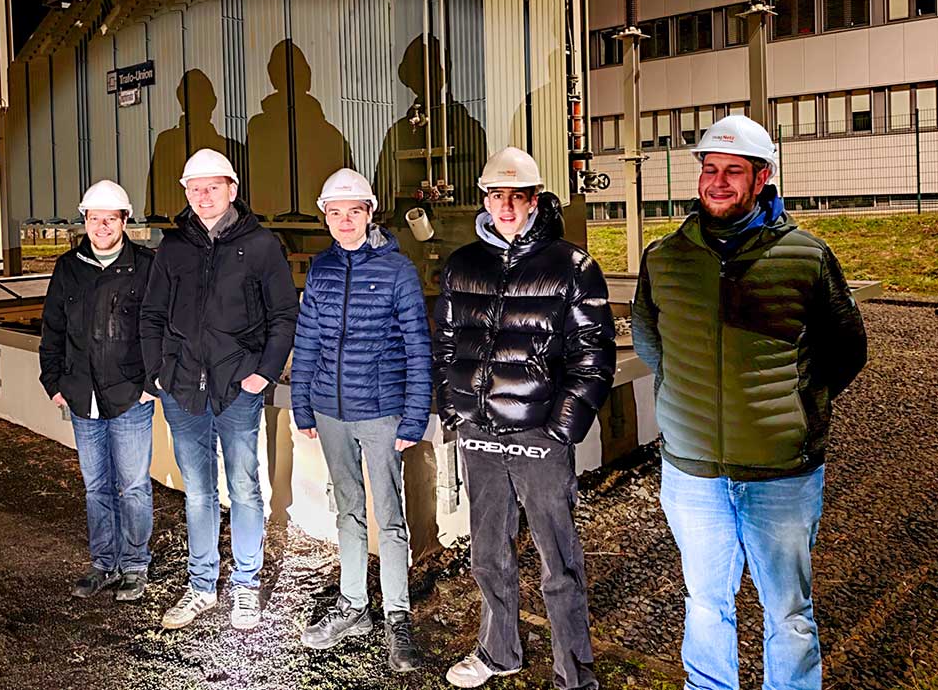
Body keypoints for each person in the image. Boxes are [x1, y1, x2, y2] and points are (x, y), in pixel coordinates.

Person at [631, 115, 867, 690]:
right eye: (710, 169)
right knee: (706, 604)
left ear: (762, 178)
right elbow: (648, 338)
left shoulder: (805, 256)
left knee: (788, 614)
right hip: (692, 473)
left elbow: (846, 349)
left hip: (780, 473)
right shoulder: (665, 257)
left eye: (733, 171)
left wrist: (795, 404)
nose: (717, 181)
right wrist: (690, 396)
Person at [432, 148, 616, 690]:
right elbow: (446, 343)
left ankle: (574, 674)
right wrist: (454, 406)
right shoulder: (463, 264)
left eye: (517, 196)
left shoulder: (571, 266)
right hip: (480, 430)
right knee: (489, 553)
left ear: (535, 200)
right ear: (485, 200)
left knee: (557, 561)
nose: (505, 206)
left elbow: (593, 354)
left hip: (539, 432)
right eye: (496, 195)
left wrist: (561, 426)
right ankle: (498, 651)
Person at [140, 148, 299, 631]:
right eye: (194, 188)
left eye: (212, 187)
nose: (203, 196)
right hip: (183, 389)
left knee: (246, 490)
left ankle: (246, 586)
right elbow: (151, 315)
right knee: (198, 494)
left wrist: (263, 373)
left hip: (238, 388)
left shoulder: (262, 245)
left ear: (232, 189)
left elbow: (284, 315)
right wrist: (158, 375)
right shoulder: (174, 248)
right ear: (186, 193)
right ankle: (202, 586)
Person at [290, 168, 431, 672]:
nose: (344, 221)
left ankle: (397, 616)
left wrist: (414, 417)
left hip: (381, 413)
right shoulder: (322, 269)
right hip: (330, 411)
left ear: (369, 214)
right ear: (325, 217)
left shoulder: (397, 270)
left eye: (354, 211)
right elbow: (306, 341)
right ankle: (354, 607)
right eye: (335, 212)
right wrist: (301, 404)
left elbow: (418, 347)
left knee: (389, 520)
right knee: (346, 511)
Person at [38, 180, 157, 602]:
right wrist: (53, 382)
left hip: (129, 396)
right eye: (93, 218)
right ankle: (104, 563)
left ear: (125, 221)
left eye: (110, 218)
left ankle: (135, 564)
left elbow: (158, 328)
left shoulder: (145, 266)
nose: (101, 225)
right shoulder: (69, 267)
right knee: (96, 486)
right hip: (81, 394)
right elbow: (52, 328)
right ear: (84, 221)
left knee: (134, 485)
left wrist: (149, 385)